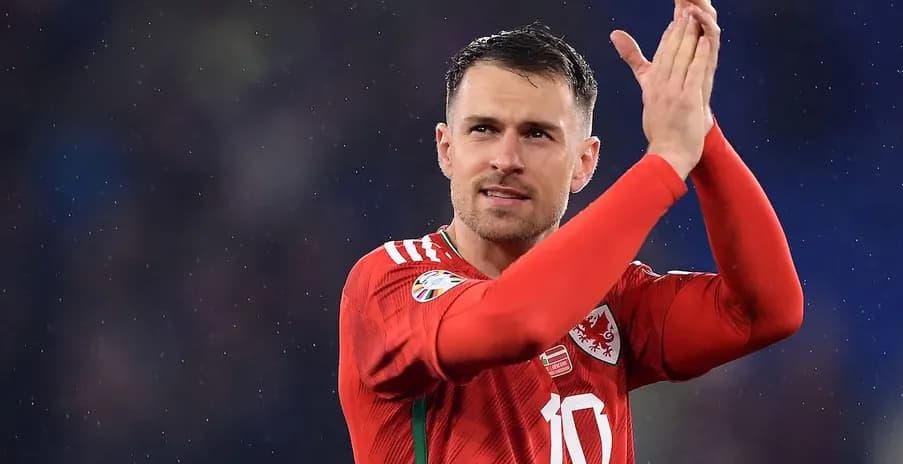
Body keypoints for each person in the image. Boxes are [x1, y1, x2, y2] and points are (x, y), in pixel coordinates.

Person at [338, 1, 803, 462]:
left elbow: (766, 313)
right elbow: (517, 323)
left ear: (584, 163)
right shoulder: (389, 285)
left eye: (537, 134)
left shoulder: (612, 299)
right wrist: (664, 163)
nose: (506, 159)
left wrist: (701, 135)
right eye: (483, 129)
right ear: (446, 150)